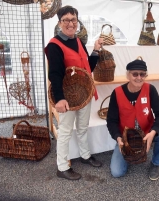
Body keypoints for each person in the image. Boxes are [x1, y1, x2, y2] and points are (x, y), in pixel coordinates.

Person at [45, 5, 103, 180]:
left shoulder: (78, 41)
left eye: (73, 20)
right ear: (60, 22)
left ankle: (85, 155)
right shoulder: (54, 45)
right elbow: (54, 74)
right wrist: (60, 99)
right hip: (67, 97)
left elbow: (87, 68)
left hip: (84, 93)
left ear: (77, 22)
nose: (70, 23)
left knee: (83, 127)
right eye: (66, 20)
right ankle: (61, 167)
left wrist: (96, 50)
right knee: (65, 131)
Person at [106, 58, 159, 181]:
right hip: (126, 138)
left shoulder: (150, 89)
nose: (139, 77)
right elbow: (111, 120)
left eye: (142, 74)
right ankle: (131, 152)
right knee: (117, 172)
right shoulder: (117, 92)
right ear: (128, 75)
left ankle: (156, 163)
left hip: (147, 132)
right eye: (135, 74)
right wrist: (118, 138)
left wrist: (152, 133)